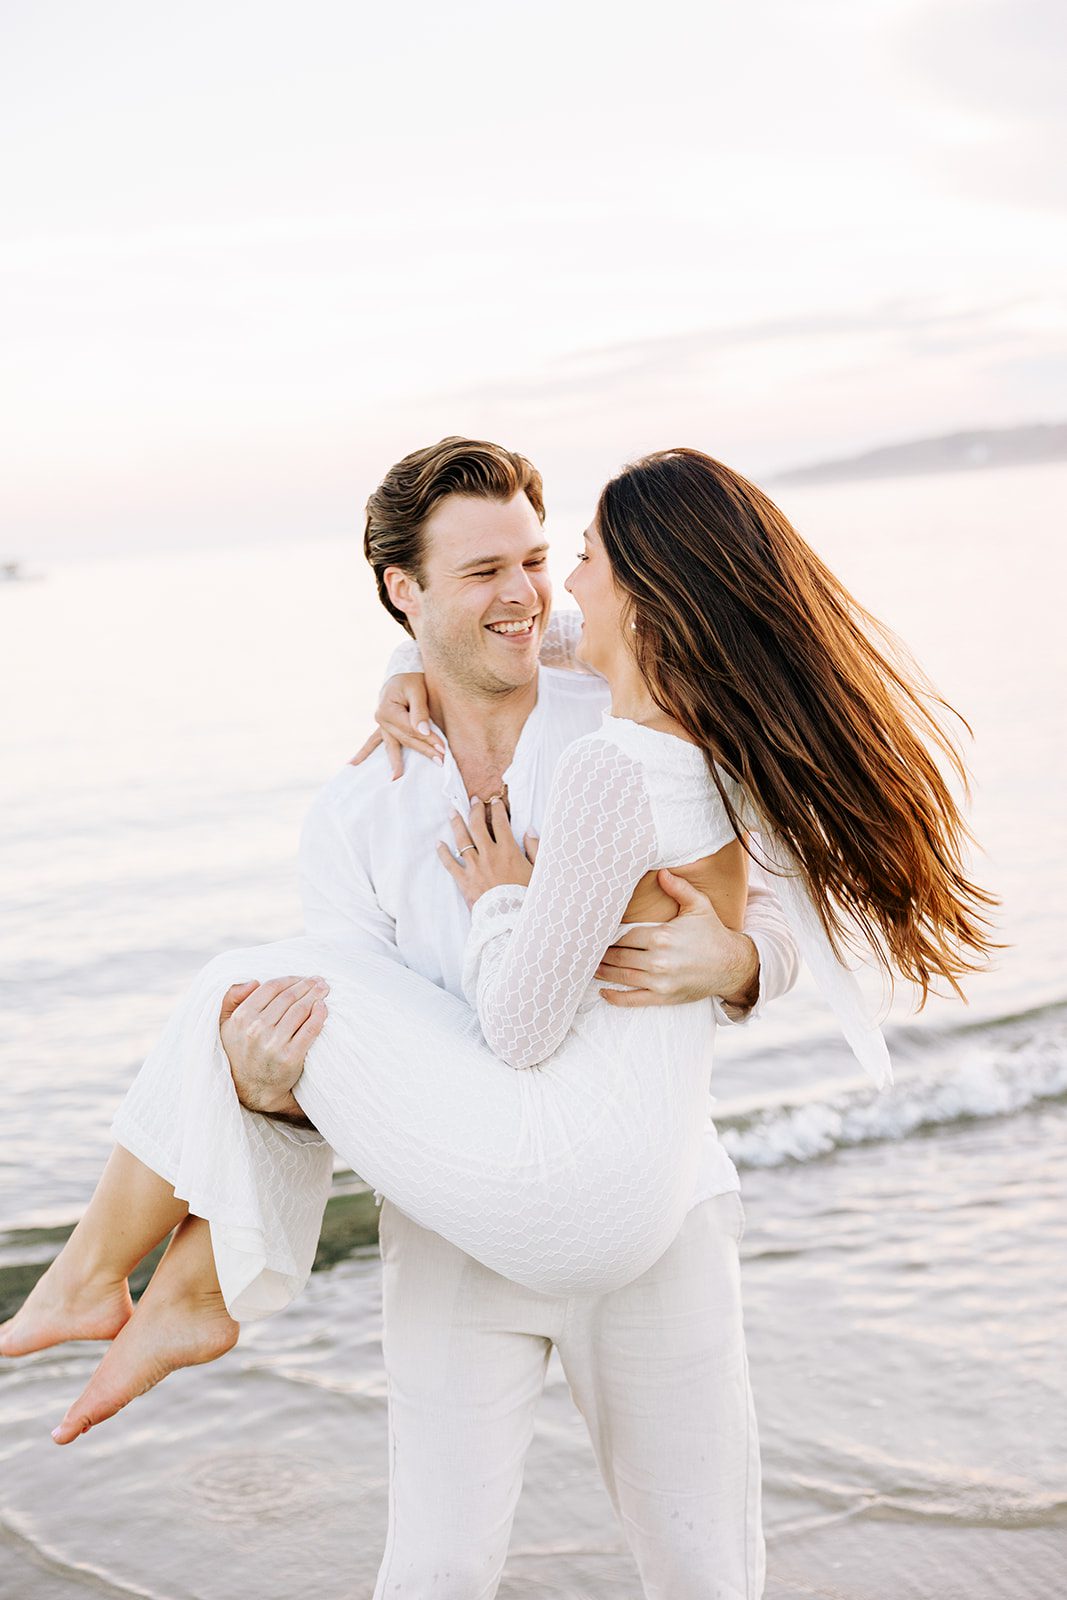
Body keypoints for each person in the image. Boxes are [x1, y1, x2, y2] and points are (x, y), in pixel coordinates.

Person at [2, 439, 993, 1594]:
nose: (525, 593)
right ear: (401, 592)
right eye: (481, 574)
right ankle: (173, 1283)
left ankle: (173, 1281)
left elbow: (770, 908)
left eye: (538, 556)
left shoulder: (624, 708)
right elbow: (364, 1050)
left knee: (705, 1569)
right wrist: (267, 1079)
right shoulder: (354, 812)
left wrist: (732, 963)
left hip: (652, 1205)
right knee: (430, 1570)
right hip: (462, 1229)